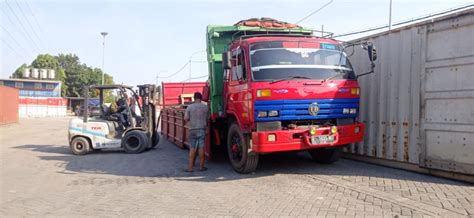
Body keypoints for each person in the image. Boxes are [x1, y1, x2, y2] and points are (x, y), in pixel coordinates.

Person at [184, 92, 209, 172]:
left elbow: (186, 118)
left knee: (192, 148)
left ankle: (190, 168)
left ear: (194, 98)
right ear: (201, 98)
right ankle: (201, 167)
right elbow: (208, 118)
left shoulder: (190, 107)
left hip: (192, 130)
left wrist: (190, 122)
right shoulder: (205, 107)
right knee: (201, 148)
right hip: (202, 129)